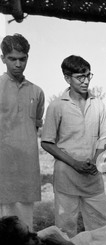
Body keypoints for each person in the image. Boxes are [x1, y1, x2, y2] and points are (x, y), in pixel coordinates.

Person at [41, 55, 106, 238]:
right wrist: (74, 163)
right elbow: (47, 142)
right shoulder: (57, 106)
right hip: (66, 176)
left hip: (92, 175)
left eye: (88, 76)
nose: (86, 81)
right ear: (67, 78)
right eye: (80, 77)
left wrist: (96, 160)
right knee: (65, 228)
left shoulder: (97, 104)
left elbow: (105, 136)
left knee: (103, 226)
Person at [0, 34, 45, 229]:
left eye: (22, 58)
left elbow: (34, 126)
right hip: (2, 166)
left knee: (25, 226)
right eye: (12, 59)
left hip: (27, 167)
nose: (18, 64)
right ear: (3, 58)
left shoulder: (37, 92)